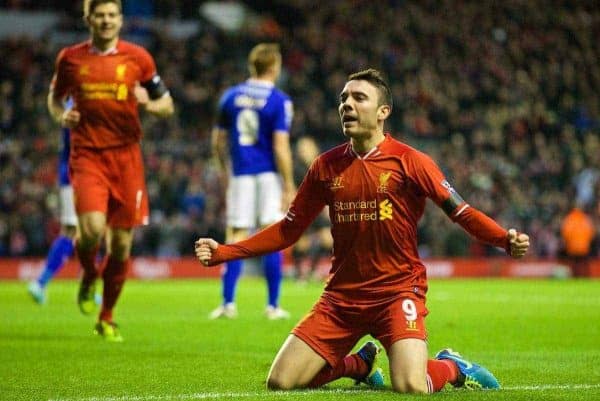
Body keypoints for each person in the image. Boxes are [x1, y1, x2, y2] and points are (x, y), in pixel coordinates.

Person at [195, 69, 530, 393]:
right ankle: (360, 365)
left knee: (412, 385)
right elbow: (288, 230)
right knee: (281, 381)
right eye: (343, 99)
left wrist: (504, 239)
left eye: (359, 98)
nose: (347, 105)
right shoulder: (326, 167)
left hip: (397, 292)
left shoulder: (410, 161)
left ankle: (453, 366)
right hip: (341, 298)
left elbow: (462, 212)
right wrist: (225, 251)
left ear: (383, 111)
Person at [47, 0, 174, 341]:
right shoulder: (71, 58)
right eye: (99, 15)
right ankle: (90, 275)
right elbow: (55, 98)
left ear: (120, 19)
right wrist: (62, 115)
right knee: (90, 230)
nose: (105, 21)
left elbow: (167, 104)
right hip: (87, 155)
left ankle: (106, 316)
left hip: (127, 159)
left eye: (111, 15)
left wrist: (150, 103)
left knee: (120, 246)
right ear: (88, 18)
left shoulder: (139, 58)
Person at [209, 43, 295, 320]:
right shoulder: (280, 100)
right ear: (274, 67)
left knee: (235, 235)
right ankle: (272, 306)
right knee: (271, 236)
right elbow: (281, 146)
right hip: (268, 175)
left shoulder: (231, 97)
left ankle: (228, 303)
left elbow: (217, 142)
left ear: (252, 66)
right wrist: (289, 183)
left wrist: (225, 170)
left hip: (241, 174)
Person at [28, 115, 77, 304]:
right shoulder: (79, 104)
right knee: (81, 231)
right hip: (79, 175)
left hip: (69, 175)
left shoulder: (70, 104)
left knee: (76, 231)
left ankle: (41, 283)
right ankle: (41, 282)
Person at [291, 136, 332, 282]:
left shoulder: (322, 165)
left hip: (318, 210)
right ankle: (299, 273)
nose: (304, 151)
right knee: (302, 243)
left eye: (307, 147)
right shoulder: (295, 169)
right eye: (302, 148)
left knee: (328, 238)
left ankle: (313, 271)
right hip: (302, 209)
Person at [560, 204, 595, 277]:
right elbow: (591, 232)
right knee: (584, 264)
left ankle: (574, 277)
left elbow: (565, 233)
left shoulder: (569, 219)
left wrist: (570, 243)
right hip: (584, 247)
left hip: (572, 247)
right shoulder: (585, 219)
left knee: (574, 264)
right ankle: (585, 277)